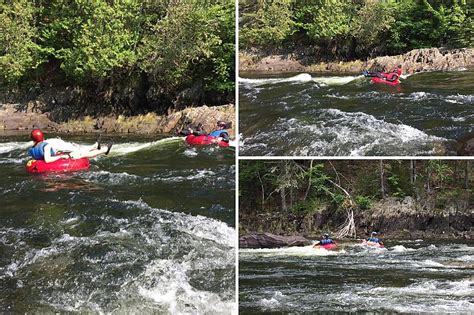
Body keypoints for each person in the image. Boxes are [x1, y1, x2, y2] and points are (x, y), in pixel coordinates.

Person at [28, 129, 112, 163]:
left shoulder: (32, 148)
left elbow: (39, 159)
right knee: (82, 154)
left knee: (78, 151)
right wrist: (61, 156)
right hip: (58, 159)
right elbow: (47, 160)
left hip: (54, 158)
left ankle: (95, 146)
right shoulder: (46, 146)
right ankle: (105, 150)